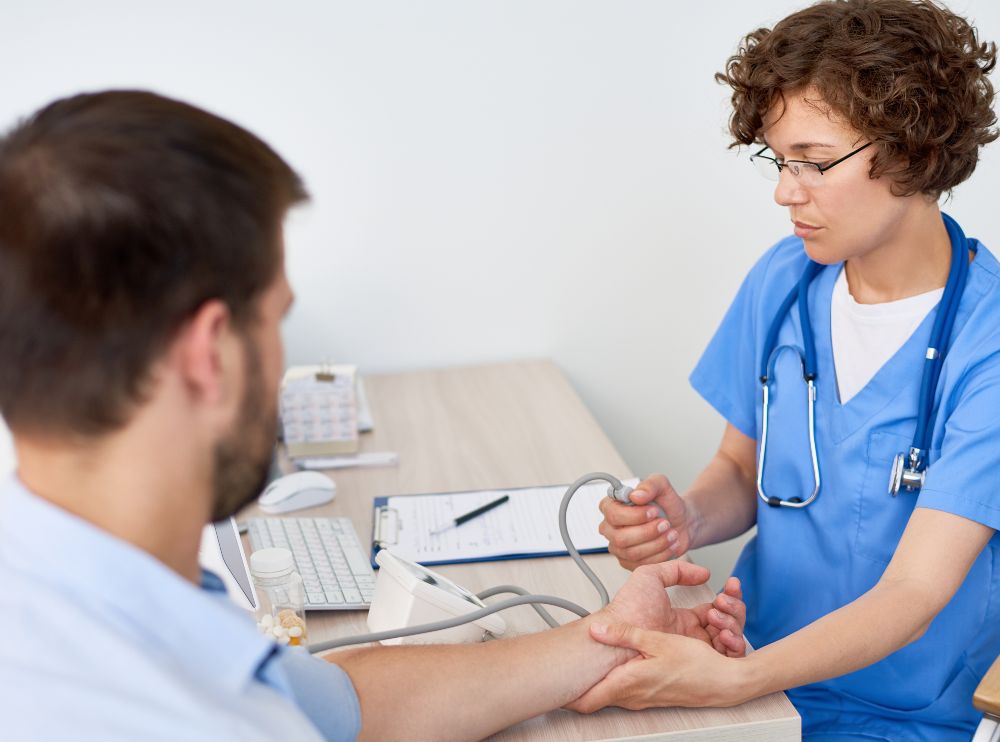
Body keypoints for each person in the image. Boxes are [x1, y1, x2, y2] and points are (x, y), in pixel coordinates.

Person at [0, 90, 748, 741]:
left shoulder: (72, 579)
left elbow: (347, 709)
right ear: (210, 355)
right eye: (275, 320)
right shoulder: (185, 716)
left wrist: (607, 638)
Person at [588, 0, 1000, 739]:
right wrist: (685, 519)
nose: (785, 191)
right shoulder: (784, 282)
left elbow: (914, 589)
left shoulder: (989, 342)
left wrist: (736, 681)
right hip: (748, 666)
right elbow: (742, 472)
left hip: (901, 714)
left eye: (814, 162)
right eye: (779, 161)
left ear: (912, 148)